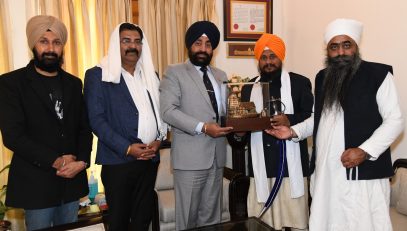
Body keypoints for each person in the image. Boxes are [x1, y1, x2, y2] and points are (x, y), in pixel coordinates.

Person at [266, 18, 404, 231]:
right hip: (327, 174)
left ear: (356, 47)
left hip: (362, 174)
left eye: (346, 45)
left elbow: (395, 121)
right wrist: (293, 131)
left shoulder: (378, 75)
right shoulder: (323, 77)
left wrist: (364, 151)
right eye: (334, 47)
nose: (340, 52)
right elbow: (320, 119)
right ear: (327, 51)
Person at [0, 15, 92, 230]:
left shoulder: (73, 83)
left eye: (56, 42)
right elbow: (13, 136)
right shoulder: (11, 83)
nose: (50, 48)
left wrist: (82, 162)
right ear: (33, 44)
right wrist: (57, 161)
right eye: (44, 41)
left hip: (71, 182)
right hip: (36, 185)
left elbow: (84, 128)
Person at [84, 23, 165, 231]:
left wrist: (158, 140)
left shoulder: (150, 74)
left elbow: (160, 113)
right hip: (118, 162)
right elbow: (97, 121)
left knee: (142, 220)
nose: (133, 46)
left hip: (149, 160)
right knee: (119, 223)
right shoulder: (98, 75)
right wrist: (128, 148)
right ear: (115, 44)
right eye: (126, 41)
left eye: (137, 41)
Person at [230, 33, 313, 230]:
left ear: (281, 57)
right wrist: (239, 132)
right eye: (264, 57)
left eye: (273, 56)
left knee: (295, 222)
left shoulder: (300, 83)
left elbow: (312, 118)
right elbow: (243, 126)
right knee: (261, 224)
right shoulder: (249, 87)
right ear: (258, 60)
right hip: (261, 166)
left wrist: (289, 119)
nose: (269, 62)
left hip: (291, 168)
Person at [160, 21, 233, 230]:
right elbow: (168, 111)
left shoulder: (221, 76)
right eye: (198, 43)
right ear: (189, 45)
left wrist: (238, 124)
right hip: (190, 160)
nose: (203, 49)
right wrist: (203, 127)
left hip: (217, 158)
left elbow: (225, 113)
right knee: (188, 222)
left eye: (208, 44)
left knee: (212, 220)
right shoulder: (174, 72)